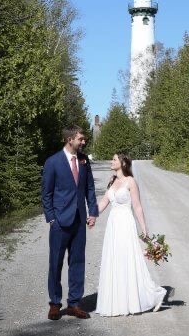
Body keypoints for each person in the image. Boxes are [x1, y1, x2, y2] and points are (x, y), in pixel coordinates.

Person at [95, 152, 167, 316]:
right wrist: (90, 216)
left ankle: (154, 295)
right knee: (115, 260)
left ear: (123, 162)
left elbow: (137, 206)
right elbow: (104, 203)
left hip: (125, 224)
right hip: (113, 225)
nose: (111, 161)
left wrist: (144, 229)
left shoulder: (131, 181)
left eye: (114, 159)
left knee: (127, 260)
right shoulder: (112, 181)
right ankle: (120, 302)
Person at [41, 125, 99, 321]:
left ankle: (74, 304)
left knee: (77, 262)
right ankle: (55, 304)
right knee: (55, 264)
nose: (84, 142)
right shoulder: (53, 162)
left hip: (79, 220)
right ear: (70, 140)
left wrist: (93, 211)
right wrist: (51, 218)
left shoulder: (83, 161)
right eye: (81, 139)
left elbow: (90, 188)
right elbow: (46, 194)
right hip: (59, 223)